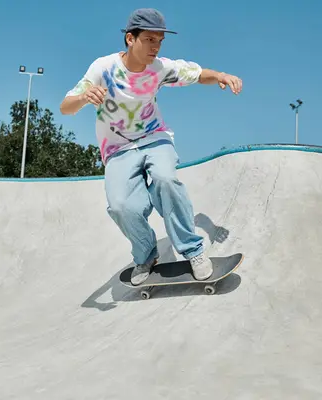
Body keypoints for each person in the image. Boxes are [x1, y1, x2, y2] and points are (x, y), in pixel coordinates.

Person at [59, 8, 242, 285]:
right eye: (149, 40)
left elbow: (197, 73)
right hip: (117, 148)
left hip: (154, 138)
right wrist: (85, 96)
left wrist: (220, 75)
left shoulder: (160, 69)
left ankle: (193, 250)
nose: (155, 47)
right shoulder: (103, 68)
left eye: (159, 41)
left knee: (166, 179)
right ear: (130, 39)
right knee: (121, 206)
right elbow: (65, 108)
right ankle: (145, 254)